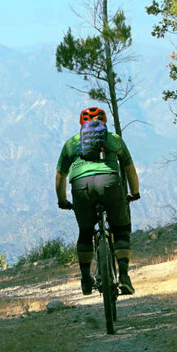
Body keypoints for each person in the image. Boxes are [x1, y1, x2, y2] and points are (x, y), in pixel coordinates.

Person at [55, 106, 140, 296]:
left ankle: (86, 277)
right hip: (109, 184)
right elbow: (130, 169)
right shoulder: (114, 139)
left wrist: (62, 200)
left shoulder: (71, 143)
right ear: (104, 122)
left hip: (81, 187)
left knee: (85, 232)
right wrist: (135, 192)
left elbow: (60, 175)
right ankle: (124, 276)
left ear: (81, 124)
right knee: (120, 229)